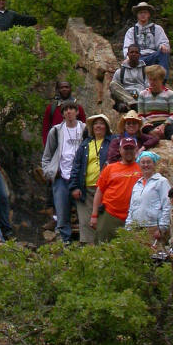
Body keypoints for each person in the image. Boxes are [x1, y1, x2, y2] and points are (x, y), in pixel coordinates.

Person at [42, 100, 86, 243]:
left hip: (80, 178)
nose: (69, 112)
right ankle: (65, 244)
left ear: (77, 111)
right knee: (62, 214)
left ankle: (85, 243)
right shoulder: (55, 131)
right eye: (66, 110)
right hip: (61, 177)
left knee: (84, 213)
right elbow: (47, 156)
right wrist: (50, 172)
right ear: (62, 114)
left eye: (72, 109)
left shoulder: (85, 129)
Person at [69, 115, 117, 244]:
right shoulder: (84, 145)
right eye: (96, 123)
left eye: (102, 123)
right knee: (86, 223)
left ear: (107, 127)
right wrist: (74, 187)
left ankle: (104, 251)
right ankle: (89, 254)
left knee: (103, 223)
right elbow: (76, 167)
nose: (99, 126)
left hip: (106, 190)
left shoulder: (114, 142)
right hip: (85, 190)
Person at [91, 136, 142, 244]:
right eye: (126, 148)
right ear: (120, 150)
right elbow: (99, 191)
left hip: (132, 216)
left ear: (136, 150)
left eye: (131, 149)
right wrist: (94, 215)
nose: (128, 151)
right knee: (102, 246)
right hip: (109, 213)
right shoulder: (110, 168)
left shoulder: (141, 169)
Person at [138, 65, 173, 150]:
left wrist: (164, 125)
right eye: (150, 79)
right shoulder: (143, 94)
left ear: (161, 79)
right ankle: (158, 135)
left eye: (155, 79)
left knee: (171, 129)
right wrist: (145, 122)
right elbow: (140, 114)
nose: (152, 82)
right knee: (146, 129)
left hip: (166, 122)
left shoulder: (169, 94)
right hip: (150, 124)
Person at [125, 151, 171, 244]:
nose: (146, 165)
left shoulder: (161, 181)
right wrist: (128, 227)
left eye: (148, 162)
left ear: (154, 164)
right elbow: (132, 207)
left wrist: (162, 227)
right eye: (143, 162)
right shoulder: (137, 184)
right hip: (136, 228)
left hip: (153, 228)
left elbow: (168, 204)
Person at [123, 2, 170, 79]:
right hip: (138, 57)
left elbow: (163, 42)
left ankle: (163, 79)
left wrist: (163, 45)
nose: (143, 15)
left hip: (153, 56)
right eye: (141, 13)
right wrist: (128, 57)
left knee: (164, 52)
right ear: (137, 15)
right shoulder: (132, 31)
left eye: (145, 12)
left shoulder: (157, 28)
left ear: (149, 14)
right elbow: (127, 47)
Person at [41, 81, 86, 147]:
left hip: (75, 144)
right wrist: (46, 145)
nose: (64, 89)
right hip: (56, 144)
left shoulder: (79, 108)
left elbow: (84, 129)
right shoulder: (51, 108)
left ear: (71, 89)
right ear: (58, 90)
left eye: (66, 87)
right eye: (62, 87)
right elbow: (45, 128)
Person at [110, 43, 148, 113]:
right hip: (125, 98)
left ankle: (135, 105)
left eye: (136, 52)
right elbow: (114, 89)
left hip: (140, 97)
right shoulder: (120, 71)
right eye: (132, 52)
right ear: (127, 54)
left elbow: (148, 87)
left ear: (140, 55)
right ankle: (133, 104)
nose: (134, 54)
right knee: (113, 84)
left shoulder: (145, 71)